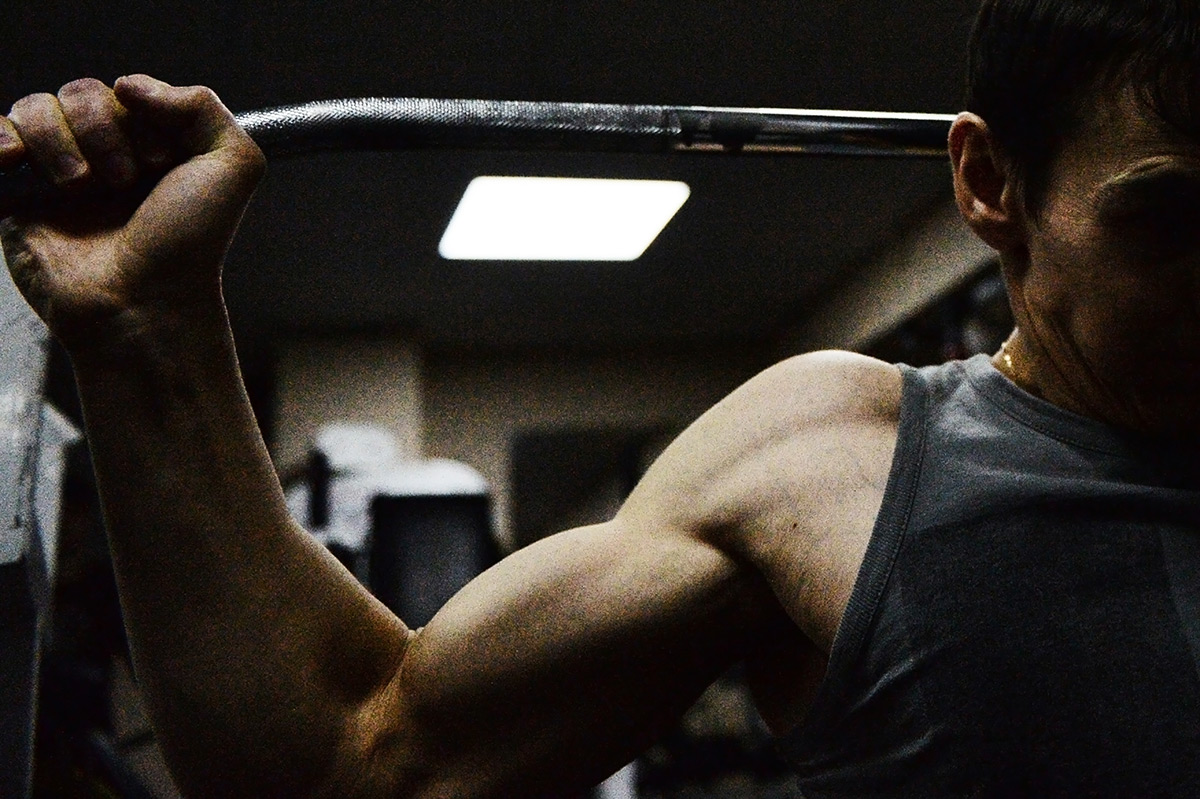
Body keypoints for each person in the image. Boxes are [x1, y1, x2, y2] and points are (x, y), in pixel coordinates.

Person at [4, 0, 1200, 795]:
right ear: (990, 182)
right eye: (1173, 219)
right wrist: (147, 330)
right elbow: (357, 763)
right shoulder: (841, 458)